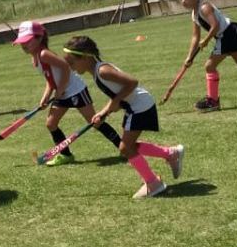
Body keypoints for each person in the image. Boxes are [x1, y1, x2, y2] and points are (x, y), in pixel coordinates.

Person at [62, 36, 184, 199]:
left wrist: (115, 102)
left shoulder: (102, 71)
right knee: (129, 146)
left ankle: (154, 183)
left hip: (140, 107)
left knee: (125, 148)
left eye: (72, 63)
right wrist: (104, 112)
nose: (71, 68)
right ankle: (170, 154)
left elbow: (132, 83)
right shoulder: (97, 72)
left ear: (85, 57)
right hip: (135, 106)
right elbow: (117, 95)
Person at [12, 21, 122, 165]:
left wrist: (61, 89)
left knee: (95, 122)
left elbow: (65, 67)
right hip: (62, 93)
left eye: (27, 41)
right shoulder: (36, 58)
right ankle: (66, 155)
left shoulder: (44, 54)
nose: (24, 45)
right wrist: (46, 96)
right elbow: (50, 79)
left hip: (76, 90)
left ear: (39, 38)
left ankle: (123, 146)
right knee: (51, 124)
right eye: (21, 42)